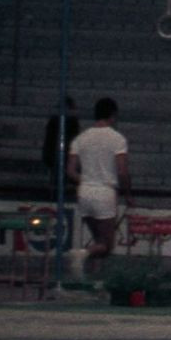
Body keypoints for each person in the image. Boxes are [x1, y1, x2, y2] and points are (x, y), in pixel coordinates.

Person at [66, 97, 131, 277]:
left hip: (84, 191)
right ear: (113, 115)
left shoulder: (80, 139)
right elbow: (122, 171)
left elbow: (70, 171)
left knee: (98, 239)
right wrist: (128, 193)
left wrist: (87, 179)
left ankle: (95, 278)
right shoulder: (117, 139)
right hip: (105, 192)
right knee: (107, 246)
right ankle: (82, 254)